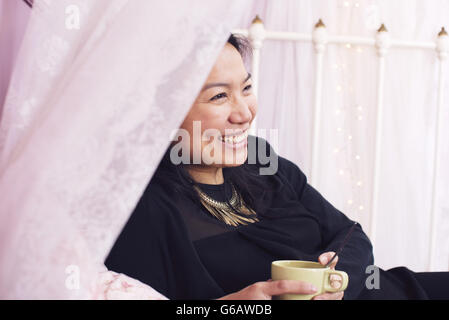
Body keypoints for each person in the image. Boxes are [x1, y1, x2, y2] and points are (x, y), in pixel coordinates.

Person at [105, 34, 449, 300]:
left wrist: (338, 277)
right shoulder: (143, 207)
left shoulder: (261, 161)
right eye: (219, 96)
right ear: (161, 112)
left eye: (247, 88)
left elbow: (350, 234)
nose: (244, 113)